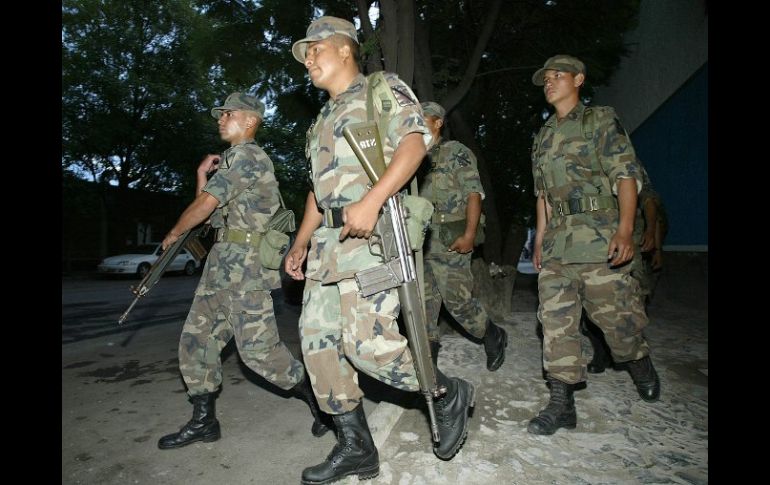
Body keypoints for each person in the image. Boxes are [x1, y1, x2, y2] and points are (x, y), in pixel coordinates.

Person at [286, 16, 475, 484]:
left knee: (367, 345)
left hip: (374, 239)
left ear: (345, 49)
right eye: (305, 53)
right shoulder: (320, 121)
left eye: (316, 49)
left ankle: (445, 391)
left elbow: (416, 143)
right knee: (318, 347)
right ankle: (356, 447)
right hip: (327, 249)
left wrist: (372, 200)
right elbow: (317, 191)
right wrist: (300, 241)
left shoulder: (379, 89)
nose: (309, 58)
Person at [156, 92, 330, 450]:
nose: (221, 118)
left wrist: (174, 232)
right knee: (195, 341)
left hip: (246, 269)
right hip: (221, 266)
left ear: (250, 120)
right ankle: (204, 421)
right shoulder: (232, 162)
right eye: (220, 114)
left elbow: (206, 205)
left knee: (258, 353)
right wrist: (202, 175)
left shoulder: (249, 156)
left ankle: (320, 401)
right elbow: (212, 215)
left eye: (229, 113)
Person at [528, 55, 661, 436]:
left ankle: (638, 361)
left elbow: (625, 174)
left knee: (618, 322)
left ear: (579, 79)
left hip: (600, 235)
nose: (550, 83)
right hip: (558, 243)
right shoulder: (542, 137)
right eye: (546, 78)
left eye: (558, 76)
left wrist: (624, 229)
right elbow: (543, 196)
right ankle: (561, 401)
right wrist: (540, 238)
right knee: (555, 321)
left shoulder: (599, 120)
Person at [418, 101, 507, 371]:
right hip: (419, 243)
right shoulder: (411, 158)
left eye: (422, 117)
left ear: (438, 122)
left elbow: (473, 193)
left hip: (450, 240)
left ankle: (492, 334)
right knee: (423, 304)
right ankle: (428, 363)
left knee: (457, 301)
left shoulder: (455, 151)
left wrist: (469, 234)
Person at [581, 163, 667, 373]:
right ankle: (602, 352)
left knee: (631, 298)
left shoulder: (625, 160)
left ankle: (635, 355)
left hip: (631, 238)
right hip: (595, 238)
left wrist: (652, 237)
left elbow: (649, 200)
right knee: (592, 298)